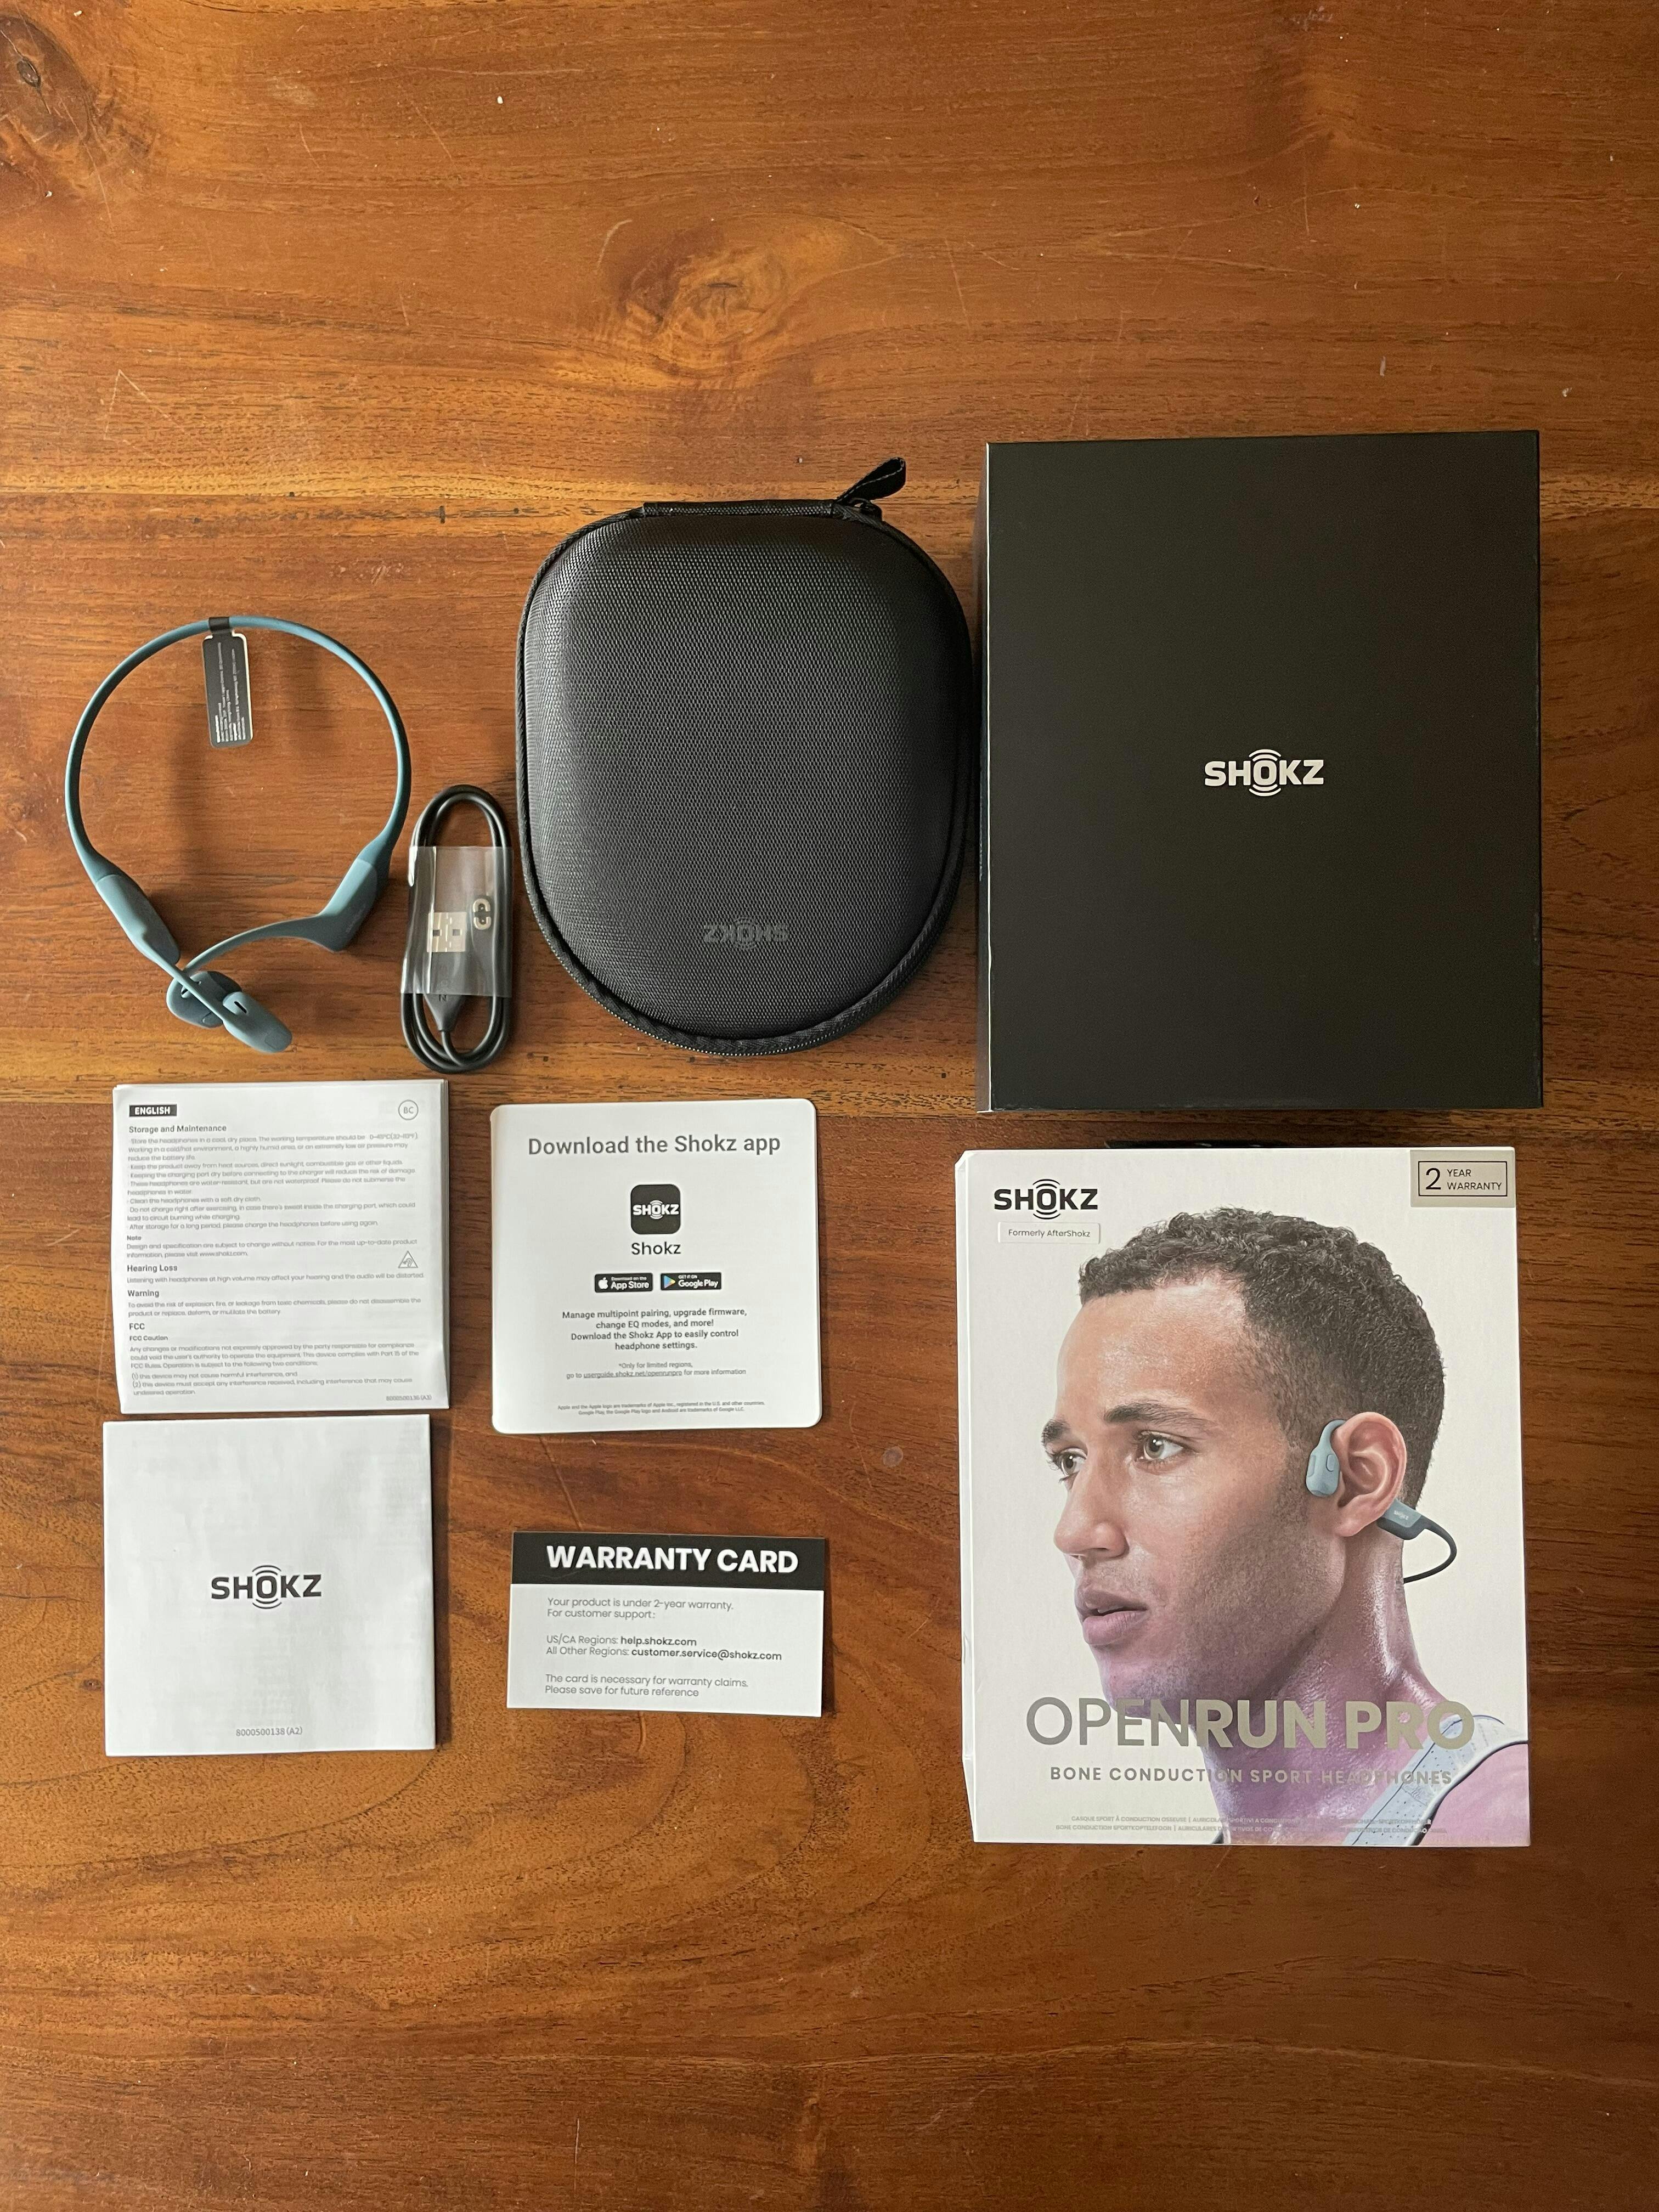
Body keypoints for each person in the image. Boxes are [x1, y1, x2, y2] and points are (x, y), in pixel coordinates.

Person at [1042, 1207, 1528, 1845]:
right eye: (1070, 1461)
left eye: (1157, 1446)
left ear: (1355, 1479)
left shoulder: (1506, 1823)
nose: (1076, 1532)